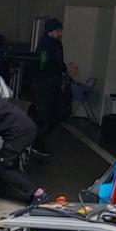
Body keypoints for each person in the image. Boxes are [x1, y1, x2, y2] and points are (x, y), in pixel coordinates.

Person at [29, 18, 70, 157]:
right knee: (44, 116)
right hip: (44, 86)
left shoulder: (57, 45)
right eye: (57, 31)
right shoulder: (44, 46)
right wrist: (64, 68)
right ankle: (36, 142)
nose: (60, 34)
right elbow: (43, 66)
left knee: (57, 114)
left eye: (60, 31)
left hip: (54, 85)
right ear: (50, 32)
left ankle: (37, 141)